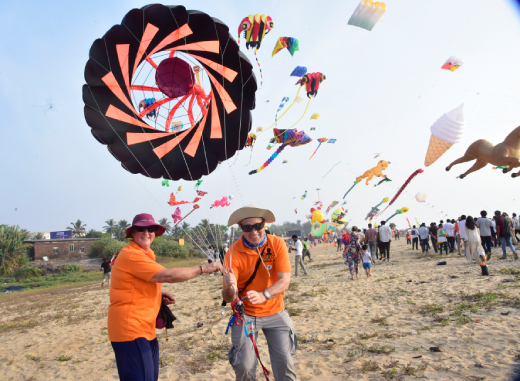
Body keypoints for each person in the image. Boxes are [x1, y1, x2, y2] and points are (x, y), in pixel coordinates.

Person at [109, 213, 221, 381]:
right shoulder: (131, 254)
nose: (146, 233)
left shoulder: (147, 254)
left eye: (151, 229)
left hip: (145, 328)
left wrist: (158, 295)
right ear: (132, 233)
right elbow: (167, 276)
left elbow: (134, 283)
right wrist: (203, 269)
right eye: (141, 229)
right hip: (130, 329)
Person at [222, 205, 296, 381]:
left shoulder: (277, 243)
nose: (253, 231)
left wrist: (264, 295)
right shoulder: (232, 253)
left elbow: (285, 280)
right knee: (245, 366)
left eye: (258, 226)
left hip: (276, 310)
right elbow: (228, 297)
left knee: (285, 361)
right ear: (241, 229)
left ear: (264, 225)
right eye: (247, 228)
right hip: (246, 314)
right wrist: (228, 287)